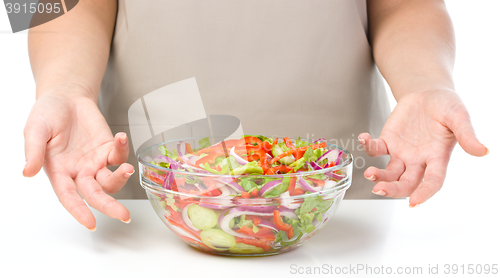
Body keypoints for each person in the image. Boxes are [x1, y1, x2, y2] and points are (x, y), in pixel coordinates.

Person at [23, 0, 488, 231]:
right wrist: (64, 88)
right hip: (144, 206)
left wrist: (427, 84)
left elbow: (409, 4)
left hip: (334, 206)